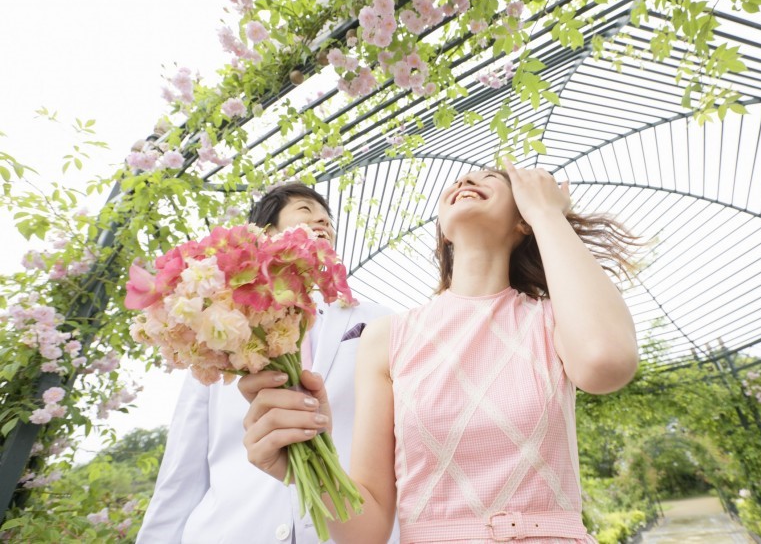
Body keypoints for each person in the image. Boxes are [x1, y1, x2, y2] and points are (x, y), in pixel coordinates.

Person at [241, 163, 640, 543]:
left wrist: (548, 213)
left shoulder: (552, 321)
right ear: (444, 233)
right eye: (461, 179)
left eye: (489, 178)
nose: (467, 178)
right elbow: (367, 531)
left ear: (522, 222)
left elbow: (605, 362)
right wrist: (308, 460)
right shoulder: (386, 338)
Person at [137, 183, 400, 544]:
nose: (323, 218)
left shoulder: (383, 320)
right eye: (306, 210)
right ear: (266, 233)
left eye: (327, 216)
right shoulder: (220, 329)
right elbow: (182, 470)